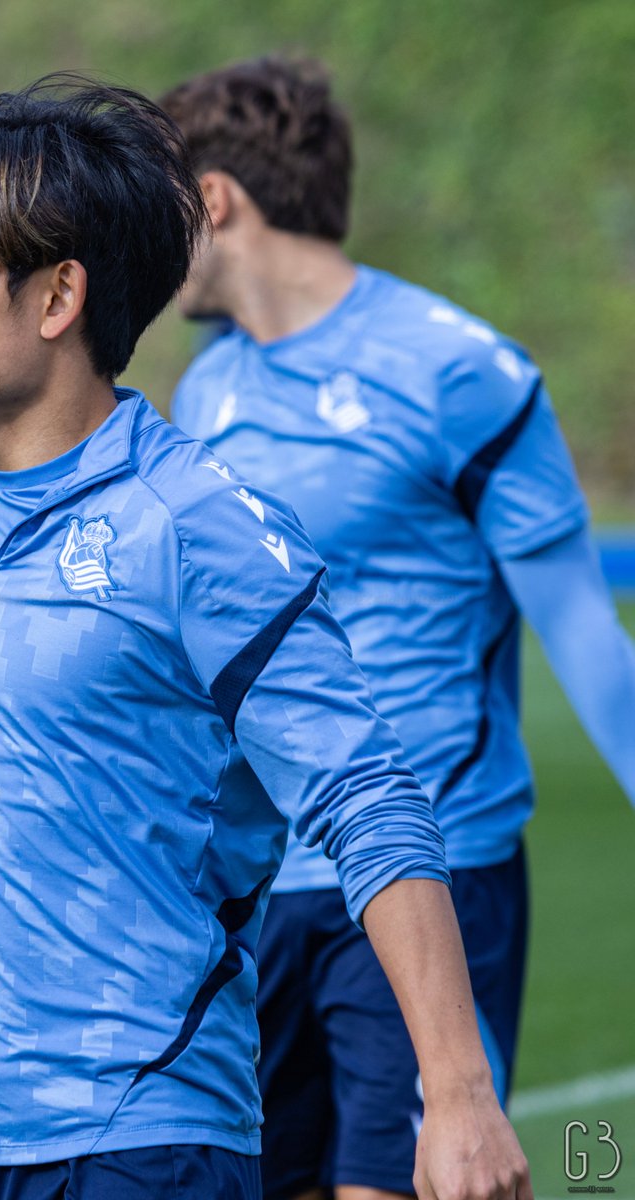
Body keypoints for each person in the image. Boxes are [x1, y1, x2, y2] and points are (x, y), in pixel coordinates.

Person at [0, 78, 531, 1200]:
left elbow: (368, 798)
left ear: (57, 299)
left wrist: (462, 1095)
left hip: (138, 1134)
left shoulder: (194, 528)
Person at [159, 56, 635, 1200]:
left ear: (215, 201)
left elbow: (583, 633)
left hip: (435, 870)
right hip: (262, 893)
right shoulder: (204, 394)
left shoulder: (460, 373)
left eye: (158, 203)